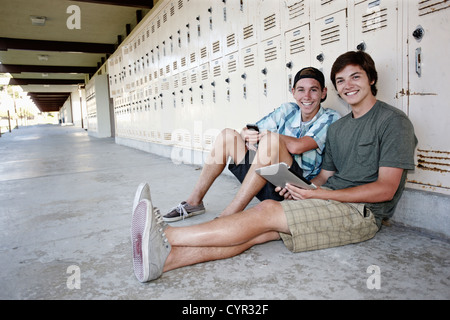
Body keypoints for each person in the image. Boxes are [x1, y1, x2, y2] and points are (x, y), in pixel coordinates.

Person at [130, 50, 417, 283]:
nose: (348, 85)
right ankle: (163, 262)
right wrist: (302, 189)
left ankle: (165, 236)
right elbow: (326, 176)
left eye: (356, 77)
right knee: (254, 234)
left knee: (265, 212)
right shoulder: (340, 128)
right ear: (336, 88)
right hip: (325, 199)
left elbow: (385, 189)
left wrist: (319, 194)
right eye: (341, 80)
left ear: (371, 79)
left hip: (362, 214)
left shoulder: (393, 122)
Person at [163, 67, 340, 221]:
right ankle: (194, 202)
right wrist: (244, 133)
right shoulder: (288, 110)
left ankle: (228, 216)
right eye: (301, 90)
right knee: (228, 135)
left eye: (313, 90)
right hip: (269, 178)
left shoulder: (330, 117)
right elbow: (251, 129)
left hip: (293, 189)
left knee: (271, 140)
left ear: (323, 93)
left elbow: (298, 146)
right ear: (293, 92)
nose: (307, 96)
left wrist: (266, 136)